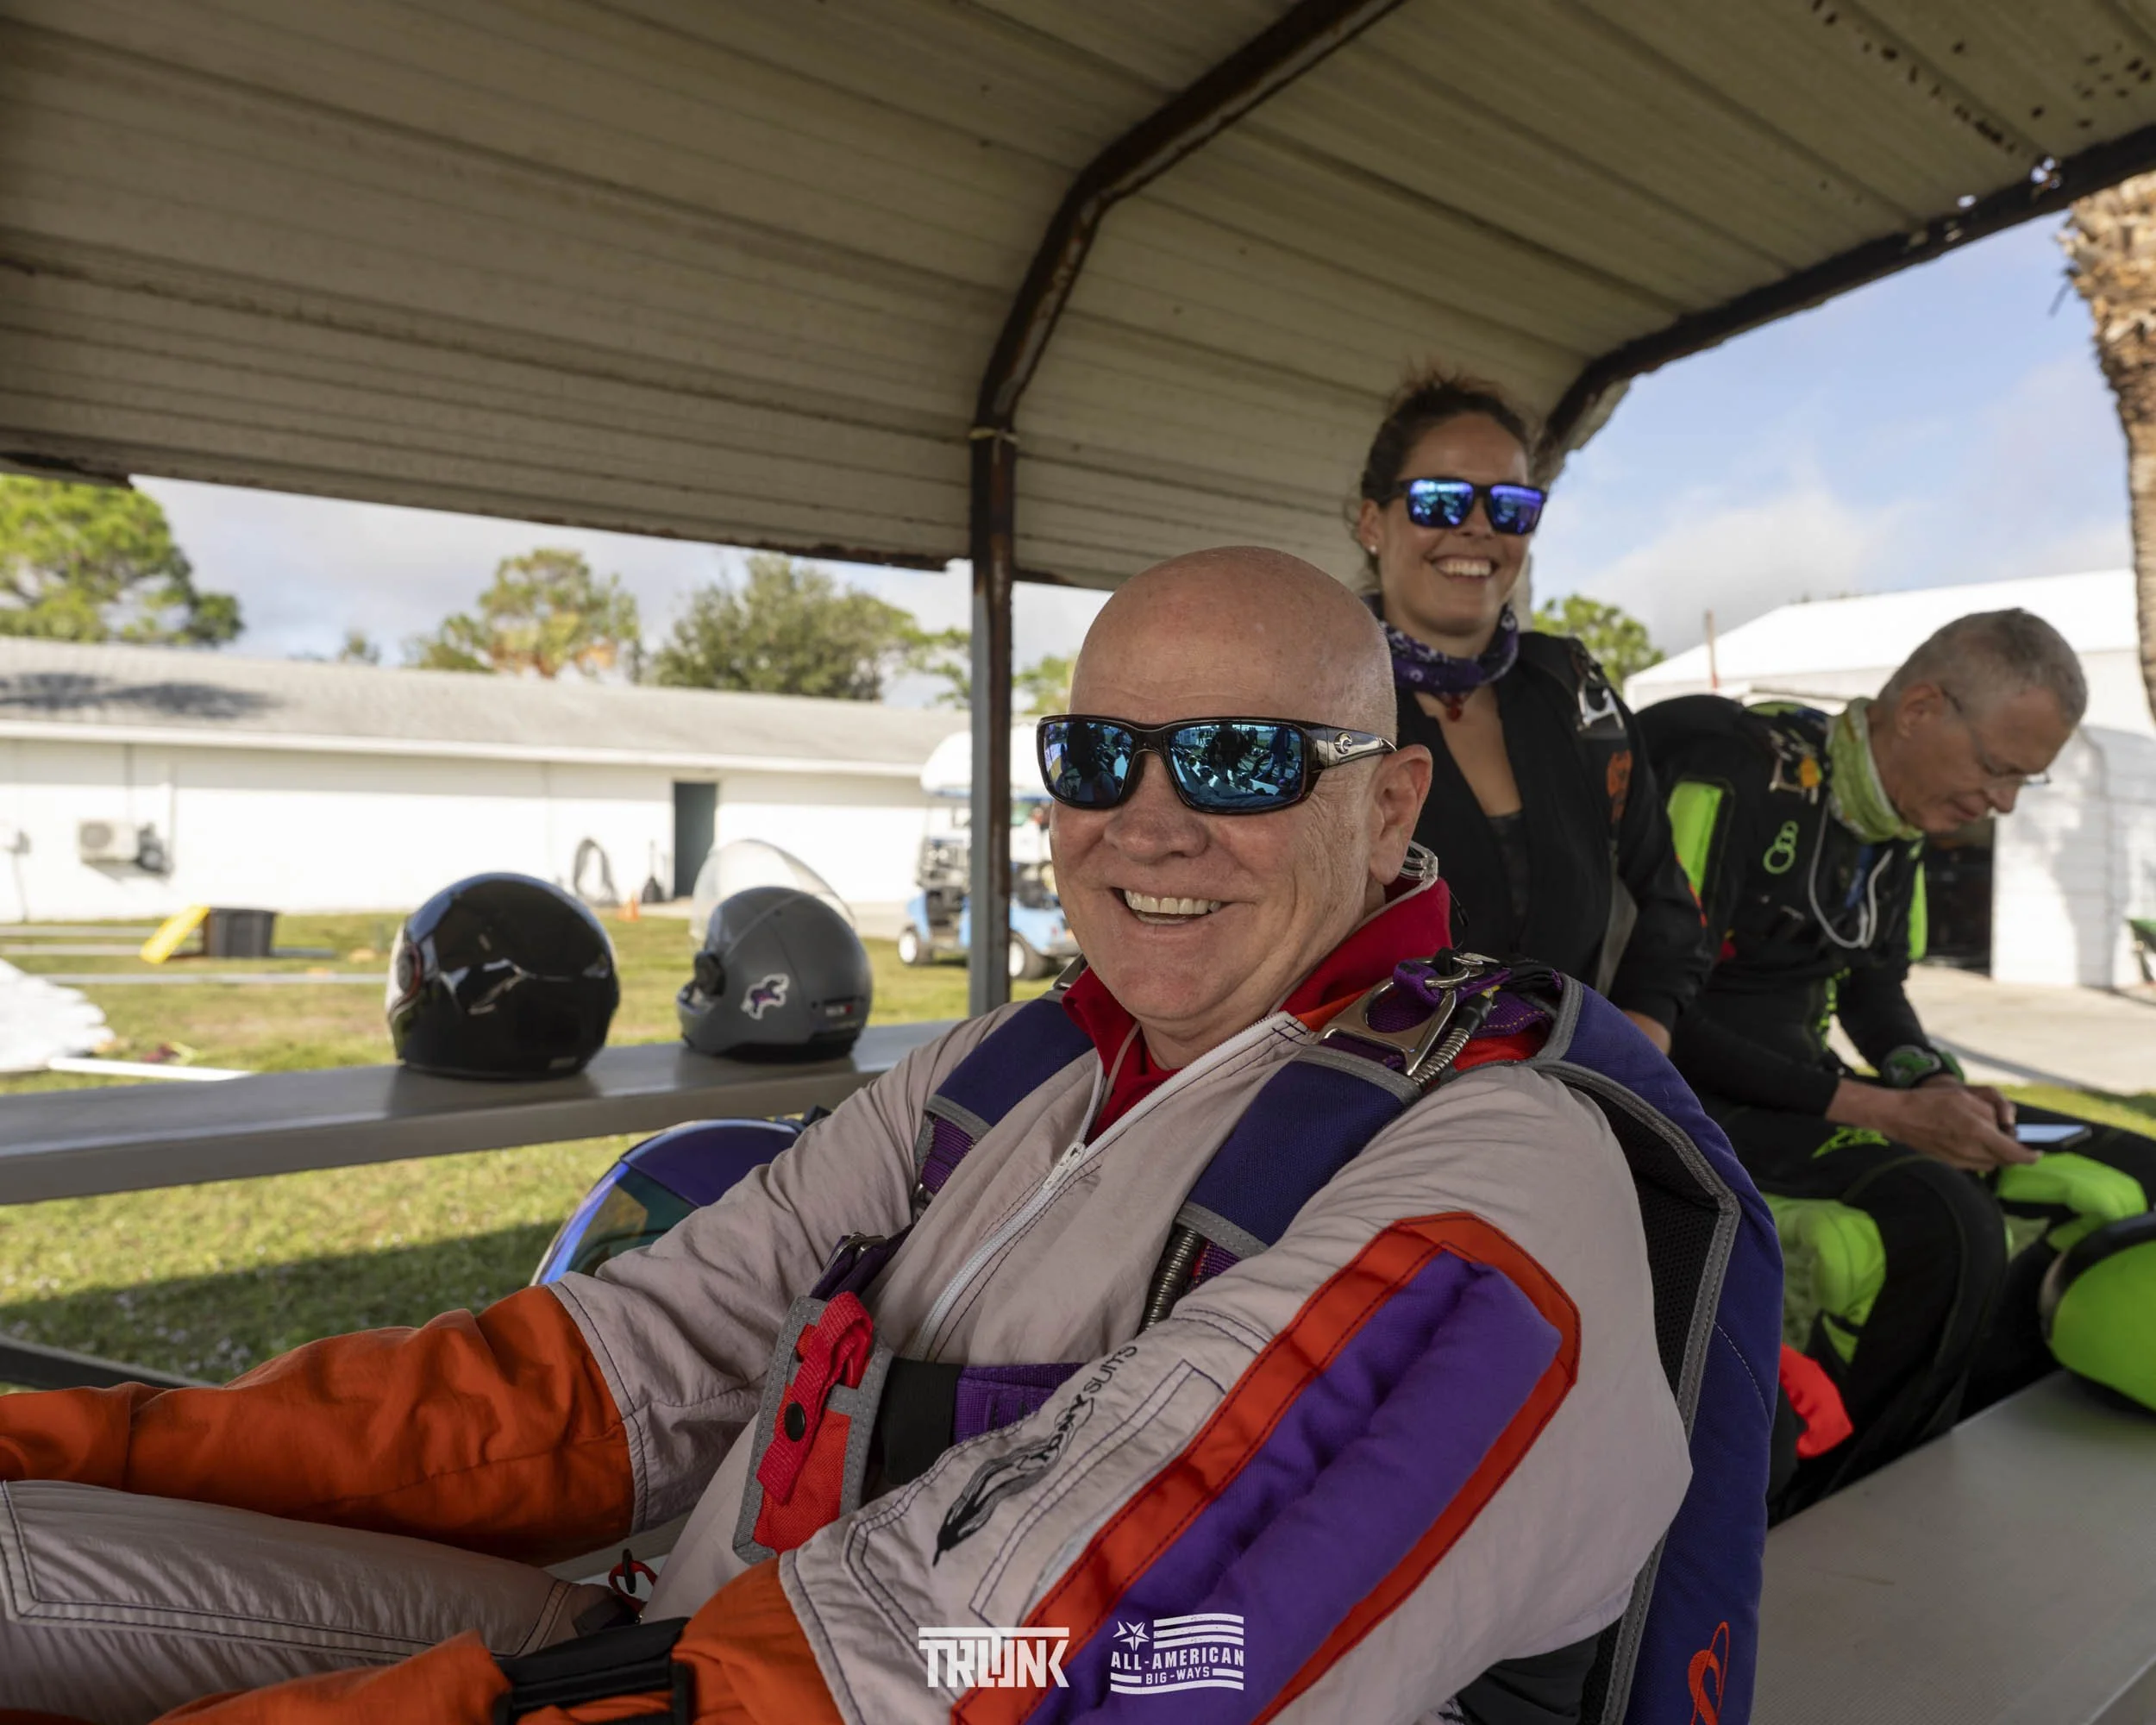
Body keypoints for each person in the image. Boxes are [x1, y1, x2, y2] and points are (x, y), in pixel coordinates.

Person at [1, 550, 1750, 1725]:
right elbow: (609, 1377)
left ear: (1388, 804)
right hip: (671, 1640)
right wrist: (87, 1443)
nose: (1150, 818)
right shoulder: (1004, 1069)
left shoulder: (1496, 1166)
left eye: (1236, 759)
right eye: (1094, 752)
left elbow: (1096, 1649)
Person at [1643, 609, 2156, 1511]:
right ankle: (1847, 1503)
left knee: (2135, 1163)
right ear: (1919, 708)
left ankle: (1978, 1419)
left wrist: (1931, 1081)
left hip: (1807, 1091)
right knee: (1945, 1219)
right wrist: (1878, 1108)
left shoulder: (1898, 815)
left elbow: (1876, 996)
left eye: (2023, 783)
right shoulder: (1732, 771)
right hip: (1686, 1098)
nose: (2000, 804)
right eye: (1997, 769)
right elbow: (1654, 1013)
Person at [1353, 372, 1707, 1051]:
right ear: (1374, 522)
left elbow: (1670, 905)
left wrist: (1636, 1045)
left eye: (1511, 506)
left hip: (1571, 1111)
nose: (1480, 526)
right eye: (1441, 500)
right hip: (1374, 1119)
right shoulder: (1310, 698)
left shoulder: (1577, 695)